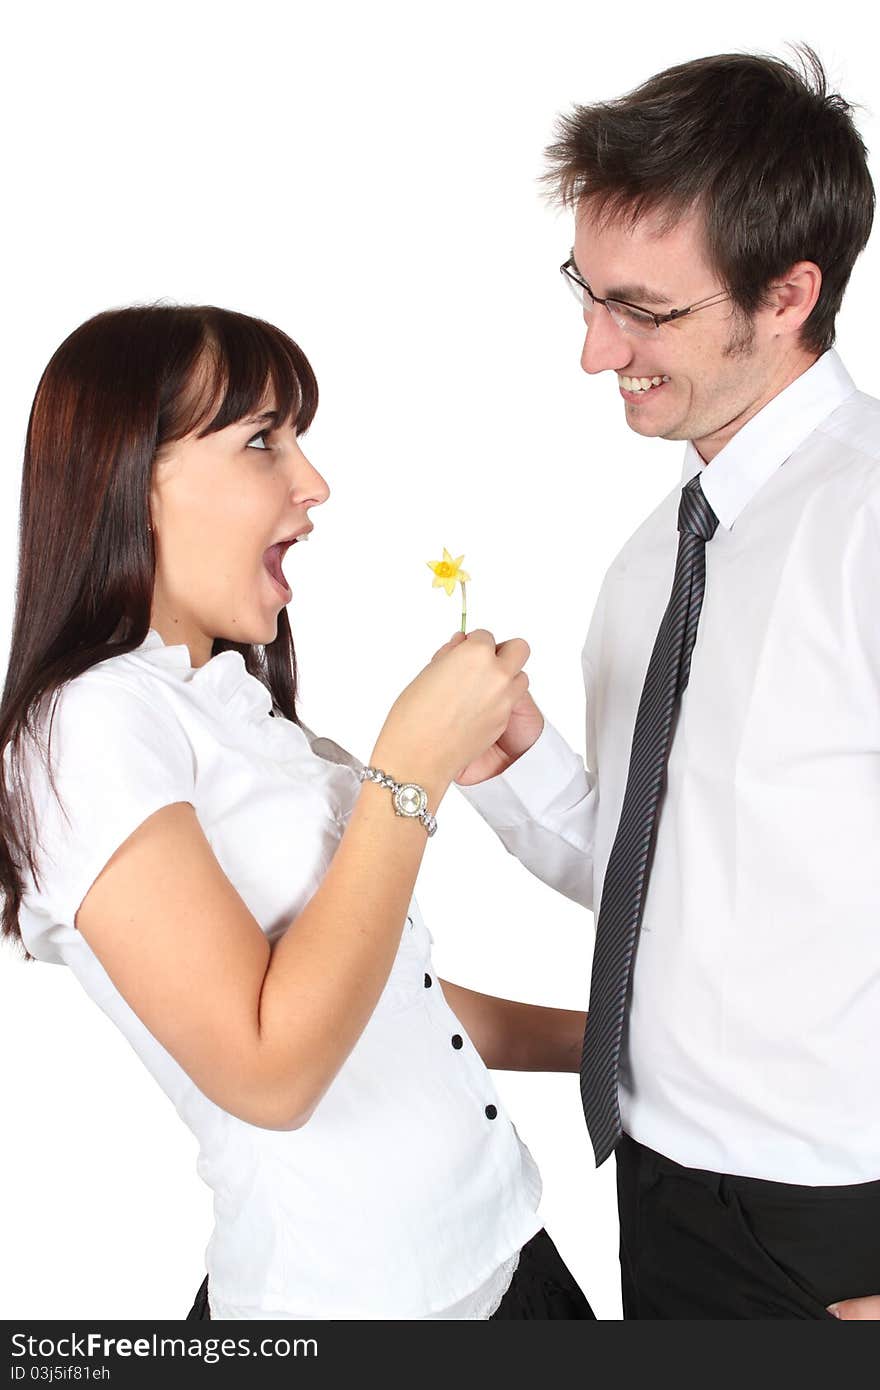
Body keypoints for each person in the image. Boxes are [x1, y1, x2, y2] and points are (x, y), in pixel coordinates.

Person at [0, 303, 595, 1321]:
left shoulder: (234, 705)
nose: (312, 484)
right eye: (263, 441)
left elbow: (390, 1003)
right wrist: (408, 772)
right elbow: (272, 1071)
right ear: (133, 480)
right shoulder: (81, 729)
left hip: (510, 1253)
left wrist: (621, 1046)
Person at [453, 43, 880, 1319]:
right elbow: (658, 879)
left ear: (788, 292)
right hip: (659, 1183)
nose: (595, 350)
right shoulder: (653, 562)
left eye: (642, 308)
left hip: (840, 1225)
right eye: (586, 293)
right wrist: (519, 765)